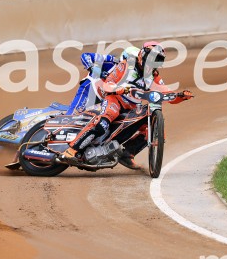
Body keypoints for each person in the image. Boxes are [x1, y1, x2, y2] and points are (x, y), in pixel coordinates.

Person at [60, 42, 193, 169]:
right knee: (103, 122)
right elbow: (108, 82)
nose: (152, 63)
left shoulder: (154, 76)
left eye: (156, 61)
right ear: (142, 55)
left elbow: (166, 93)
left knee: (151, 127)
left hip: (132, 107)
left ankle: (127, 153)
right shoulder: (126, 65)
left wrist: (180, 96)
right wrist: (116, 89)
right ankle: (72, 149)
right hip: (115, 100)